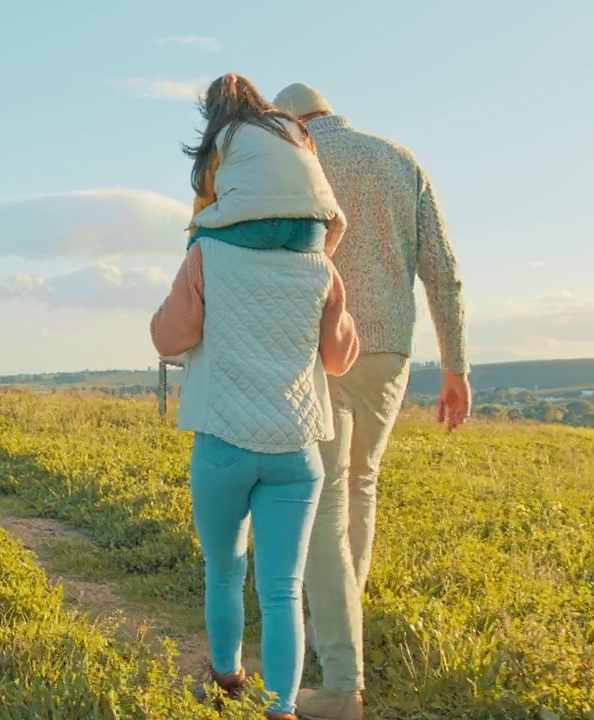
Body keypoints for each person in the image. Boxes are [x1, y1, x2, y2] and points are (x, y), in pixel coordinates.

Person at [151, 73, 360, 720]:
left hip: (223, 445)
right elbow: (338, 356)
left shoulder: (208, 255)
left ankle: (225, 679)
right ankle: (282, 709)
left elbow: (168, 338)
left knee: (223, 571)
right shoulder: (319, 267)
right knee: (282, 588)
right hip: (296, 452)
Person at [272, 83, 470, 720]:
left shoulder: (296, 160)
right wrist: (457, 366)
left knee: (325, 496)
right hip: (391, 352)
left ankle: (339, 684)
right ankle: (344, 641)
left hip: (321, 347)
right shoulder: (399, 158)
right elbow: (441, 268)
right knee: (361, 487)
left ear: (290, 122)